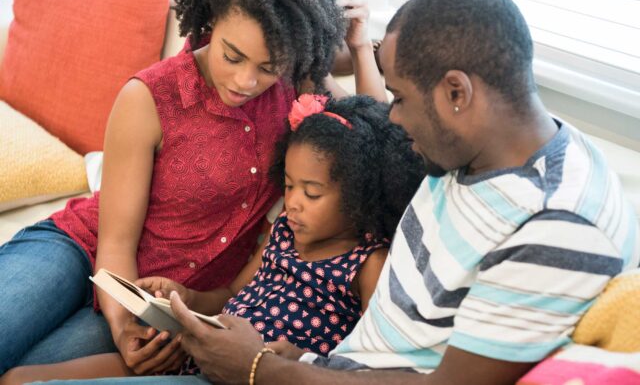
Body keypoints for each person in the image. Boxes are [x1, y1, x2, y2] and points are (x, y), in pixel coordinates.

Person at [34, 0, 640, 385]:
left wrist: (258, 367)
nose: (393, 117)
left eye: (399, 98)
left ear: (457, 92)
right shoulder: (472, 156)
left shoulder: (557, 226)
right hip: (307, 364)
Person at [0, 0, 387, 376]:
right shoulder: (149, 97)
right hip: (79, 249)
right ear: (212, 19)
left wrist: (363, 46)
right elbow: (115, 243)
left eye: (267, 68)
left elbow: (376, 143)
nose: (245, 81)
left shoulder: (297, 86)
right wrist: (119, 324)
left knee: (27, 374)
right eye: (232, 56)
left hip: (166, 300)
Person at [1, 94, 426, 384]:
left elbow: (375, 357)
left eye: (311, 194)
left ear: (360, 197)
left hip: (248, 374)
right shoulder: (282, 235)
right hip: (192, 354)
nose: (292, 203)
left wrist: (292, 361)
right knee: (18, 378)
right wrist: (180, 295)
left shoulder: (369, 263)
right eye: (289, 186)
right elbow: (228, 293)